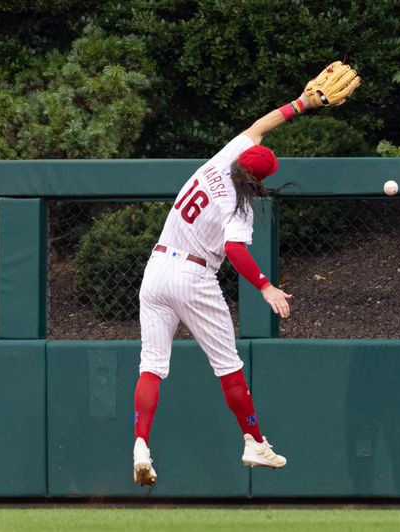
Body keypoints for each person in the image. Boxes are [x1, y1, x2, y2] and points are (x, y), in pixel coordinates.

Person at [132, 63, 360, 487]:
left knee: (151, 366)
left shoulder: (216, 164)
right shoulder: (239, 205)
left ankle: (141, 444)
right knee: (228, 367)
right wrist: (265, 286)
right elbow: (235, 249)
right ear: (259, 180)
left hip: (156, 268)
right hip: (194, 277)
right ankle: (254, 442)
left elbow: (260, 127)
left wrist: (303, 103)